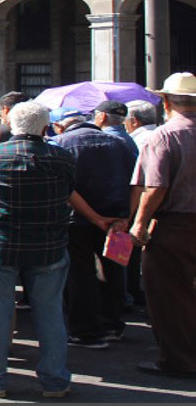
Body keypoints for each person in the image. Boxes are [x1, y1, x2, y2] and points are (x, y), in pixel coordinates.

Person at [0, 101, 76, 398]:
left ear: (10, 125)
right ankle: (55, 380)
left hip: (0, 245)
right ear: (45, 127)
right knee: (50, 312)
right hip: (48, 244)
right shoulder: (62, 157)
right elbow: (68, 190)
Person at [128, 72, 196, 378]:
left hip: (174, 226)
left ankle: (177, 359)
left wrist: (139, 224)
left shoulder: (165, 135)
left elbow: (155, 187)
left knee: (169, 295)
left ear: (166, 101)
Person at [51, 107, 135, 349]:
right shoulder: (119, 143)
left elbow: (65, 187)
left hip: (76, 219)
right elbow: (137, 181)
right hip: (116, 217)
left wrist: (95, 216)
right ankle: (112, 323)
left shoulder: (60, 143)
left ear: (61, 126)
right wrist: (126, 216)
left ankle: (85, 329)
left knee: (80, 272)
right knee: (115, 267)